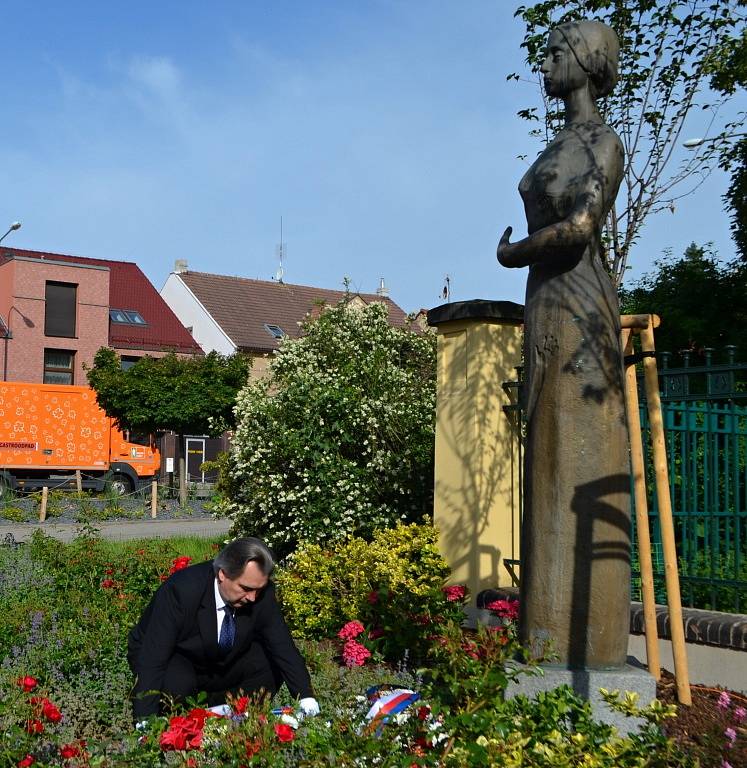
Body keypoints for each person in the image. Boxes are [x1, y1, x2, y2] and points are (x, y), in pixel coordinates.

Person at [496, 20, 631, 668]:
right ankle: (544, 637)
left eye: (554, 51)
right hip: (544, 305)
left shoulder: (604, 142)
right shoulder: (557, 141)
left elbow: (579, 228)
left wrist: (511, 252)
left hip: (582, 314)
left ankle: (590, 643)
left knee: (576, 464)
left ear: (585, 59)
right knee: (544, 464)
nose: (544, 62)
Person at [127, 537, 319, 720]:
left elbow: (283, 646)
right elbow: (153, 657)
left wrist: (307, 700)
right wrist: (145, 722)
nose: (252, 598)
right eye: (245, 588)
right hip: (179, 655)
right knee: (175, 683)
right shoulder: (182, 590)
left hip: (223, 659)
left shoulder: (260, 593)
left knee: (270, 664)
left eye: (258, 590)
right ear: (222, 574)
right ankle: (184, 718)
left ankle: (233, 714)